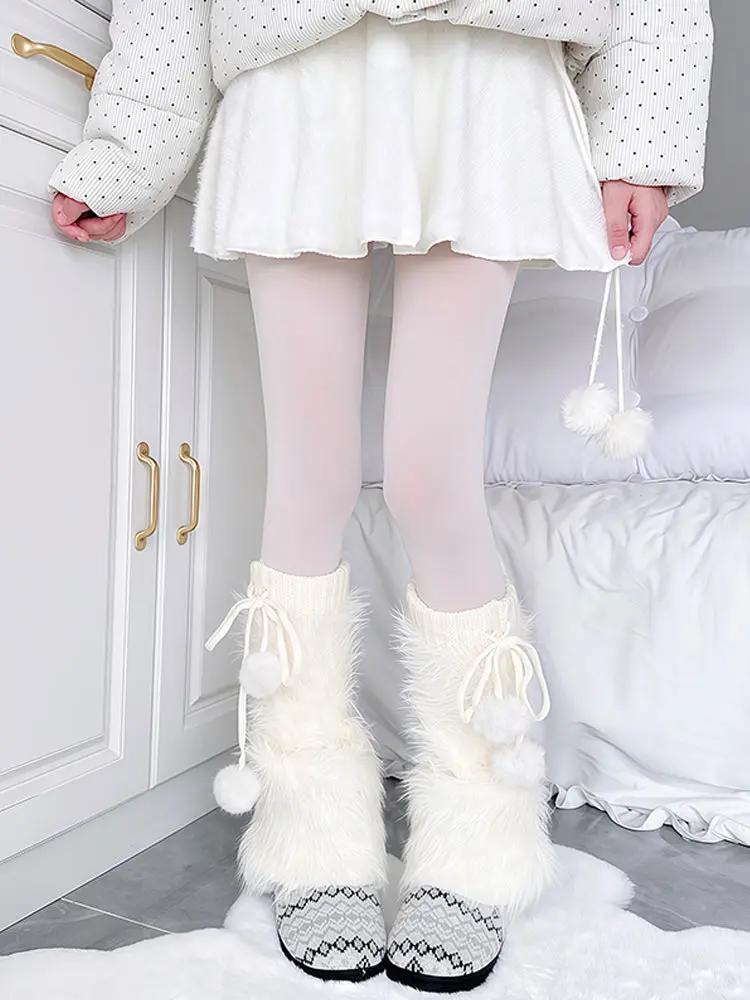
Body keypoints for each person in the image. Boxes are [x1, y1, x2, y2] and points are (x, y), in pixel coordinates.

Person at [50, 1, 713, 992]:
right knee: (307, 480)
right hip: (294, 74)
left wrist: (640, 145)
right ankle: (311, 834)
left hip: (487, 74)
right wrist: (123, 158)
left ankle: (480, 839)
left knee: (428, 477)